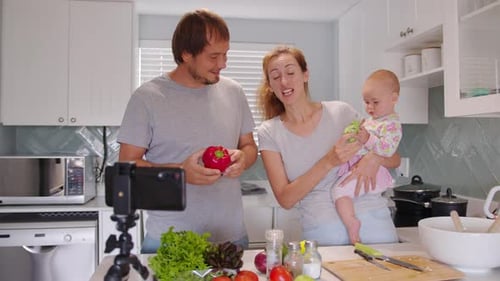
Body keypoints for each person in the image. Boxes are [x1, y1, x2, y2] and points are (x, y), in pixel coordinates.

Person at [117, 9, 258, 253]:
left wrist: (244, 158)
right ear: (186, 54)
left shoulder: (234, 92)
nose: (222, 64)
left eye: (225, 55)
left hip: (230, 238)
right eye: (213, 56)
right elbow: (127, 167)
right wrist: (181, 172)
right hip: (170, 241)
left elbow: (249, 146)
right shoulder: (147, 98)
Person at [256, 46, 400, 245]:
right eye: (275, 76)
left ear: (305, 75)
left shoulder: (342, 112)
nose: (284, 81)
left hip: (375, 223)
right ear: (270, 85)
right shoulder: (269, 132)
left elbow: (394, 158)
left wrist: (375, 158)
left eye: (291, 72)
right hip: (324, 235)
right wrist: (329, 161)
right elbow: (286, 199)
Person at [331, 69, 402, 244]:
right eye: (366, 102)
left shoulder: (392, 124)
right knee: (341, 191)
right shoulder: (374, 120)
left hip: (374, 173)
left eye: (375, 102)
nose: (370, 107)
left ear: (394, 98)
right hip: (364, 168)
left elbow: (387, 150)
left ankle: (352, 224)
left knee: (338, 192)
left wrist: (367, 139)